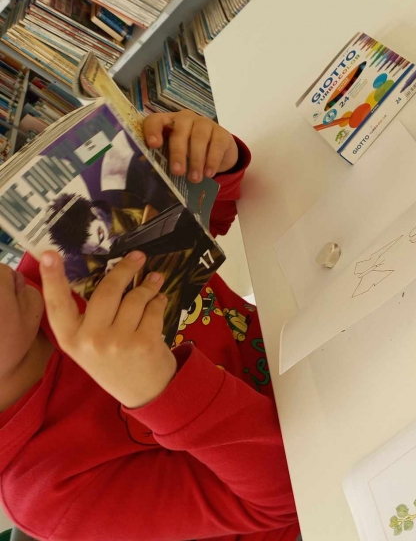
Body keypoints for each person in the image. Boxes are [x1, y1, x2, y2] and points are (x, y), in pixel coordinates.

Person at [0, 110, 300, 540]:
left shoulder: (49, 266)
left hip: (309, 338)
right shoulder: (50, 497)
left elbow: (201, 230)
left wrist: (210, 161)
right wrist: (160, 391)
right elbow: (292, 490)